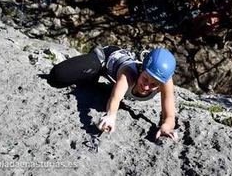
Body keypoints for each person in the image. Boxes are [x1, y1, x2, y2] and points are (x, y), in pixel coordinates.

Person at [48, 46, 178, 141]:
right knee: (58, 76)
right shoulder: (129, 74)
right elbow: (115, 98)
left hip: (117, 69)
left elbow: (170, 115)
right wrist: (111, 116)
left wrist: (166, 127)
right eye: (145, 79)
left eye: (154, 85)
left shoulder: (164, 81)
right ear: (142, 69)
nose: (147, 86)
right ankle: (95, 62)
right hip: (105, 58)